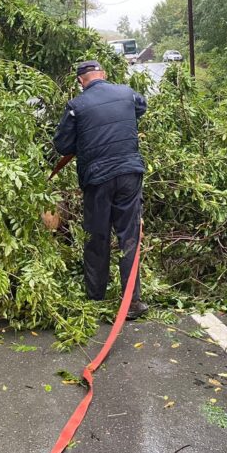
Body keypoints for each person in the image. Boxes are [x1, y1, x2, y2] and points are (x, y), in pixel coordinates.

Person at [53, 60, 149, 320]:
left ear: (80, 81)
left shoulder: (77, 106)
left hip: (98, 179)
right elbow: (141, 107)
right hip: (129, 174)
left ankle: (96, 297)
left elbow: (62, 145)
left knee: (97, 236)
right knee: (129, 236)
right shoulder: (126, 93)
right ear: (103, 75)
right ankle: (132, 301)